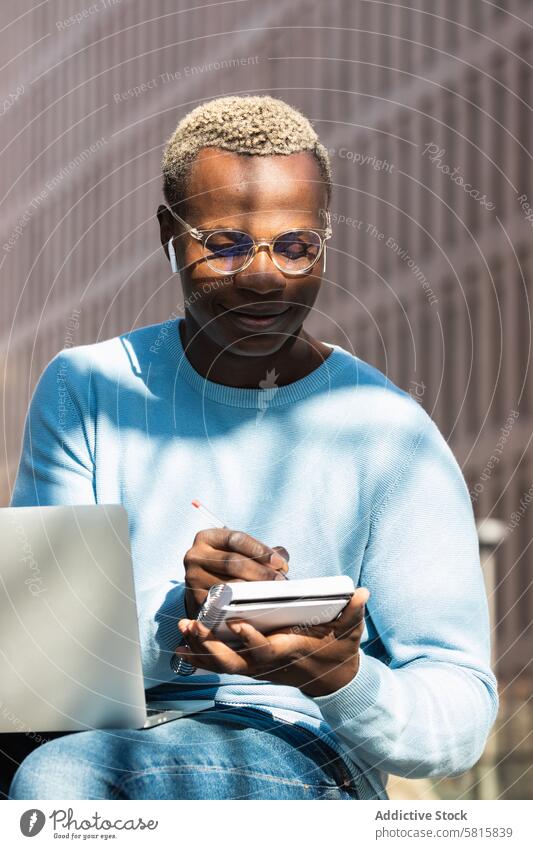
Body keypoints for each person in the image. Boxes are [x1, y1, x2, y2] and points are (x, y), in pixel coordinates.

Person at [8, 95, 498, 800]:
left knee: (65, 781)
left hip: (305, 752)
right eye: (226, 244)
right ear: (168, 235)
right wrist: (183, 611)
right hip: (108, 739)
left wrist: (341, 678)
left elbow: (457, 719)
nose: (265, 275)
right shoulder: (86, 389)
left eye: (296, 246)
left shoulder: (387, 432)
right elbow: (40, 669)